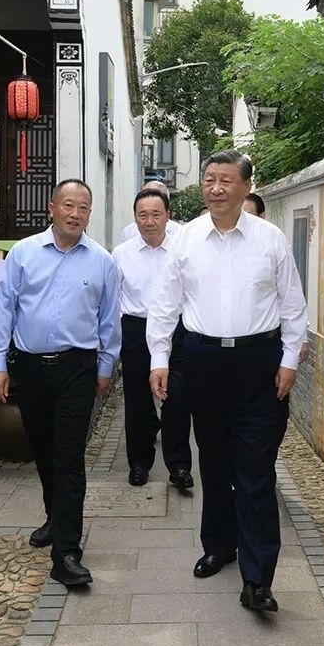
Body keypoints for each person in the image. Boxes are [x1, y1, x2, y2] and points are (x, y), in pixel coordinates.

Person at [147, 149, 307, 613]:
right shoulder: (186, 240)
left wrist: (290, 359)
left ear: (246, 187)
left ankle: (258, 579)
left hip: (259, 364)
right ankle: (219, 545)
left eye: (226, 180)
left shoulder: (270, 239)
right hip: (204, 362)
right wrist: (159, 358)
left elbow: (292, 304)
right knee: (214, 463)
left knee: (256, 470)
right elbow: (165, 304)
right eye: (209, 179)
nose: (216, 188)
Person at [0, 179, 121, 588]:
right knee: (43, 450)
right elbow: (3, 309)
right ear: (52, 208)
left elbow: (109, 320)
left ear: (89, 213)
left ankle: (67, 552)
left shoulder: (102, 261)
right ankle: (54, 516)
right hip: (31, 367)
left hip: (78, 368)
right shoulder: (23, 254)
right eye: (68, 205)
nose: (75, 214)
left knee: (69, 456)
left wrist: (105, 367)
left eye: (83, 207)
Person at [112, 188, 192, 489]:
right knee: (137, 399)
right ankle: (139, 462)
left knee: (177, 398)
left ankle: (179, 466)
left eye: (156, 214)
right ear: (135, 218)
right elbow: (113, 298)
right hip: (136, 330)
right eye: (142, 215)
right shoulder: (122, 254)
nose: (149, 221)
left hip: (177, 330)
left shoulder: (182, 249)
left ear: (168, 216)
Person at [242, 192, 311, 365]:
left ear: (262, 216)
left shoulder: (274, 244)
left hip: (267, 340)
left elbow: (291, 293)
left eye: (248, 216)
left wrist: (301, 338)